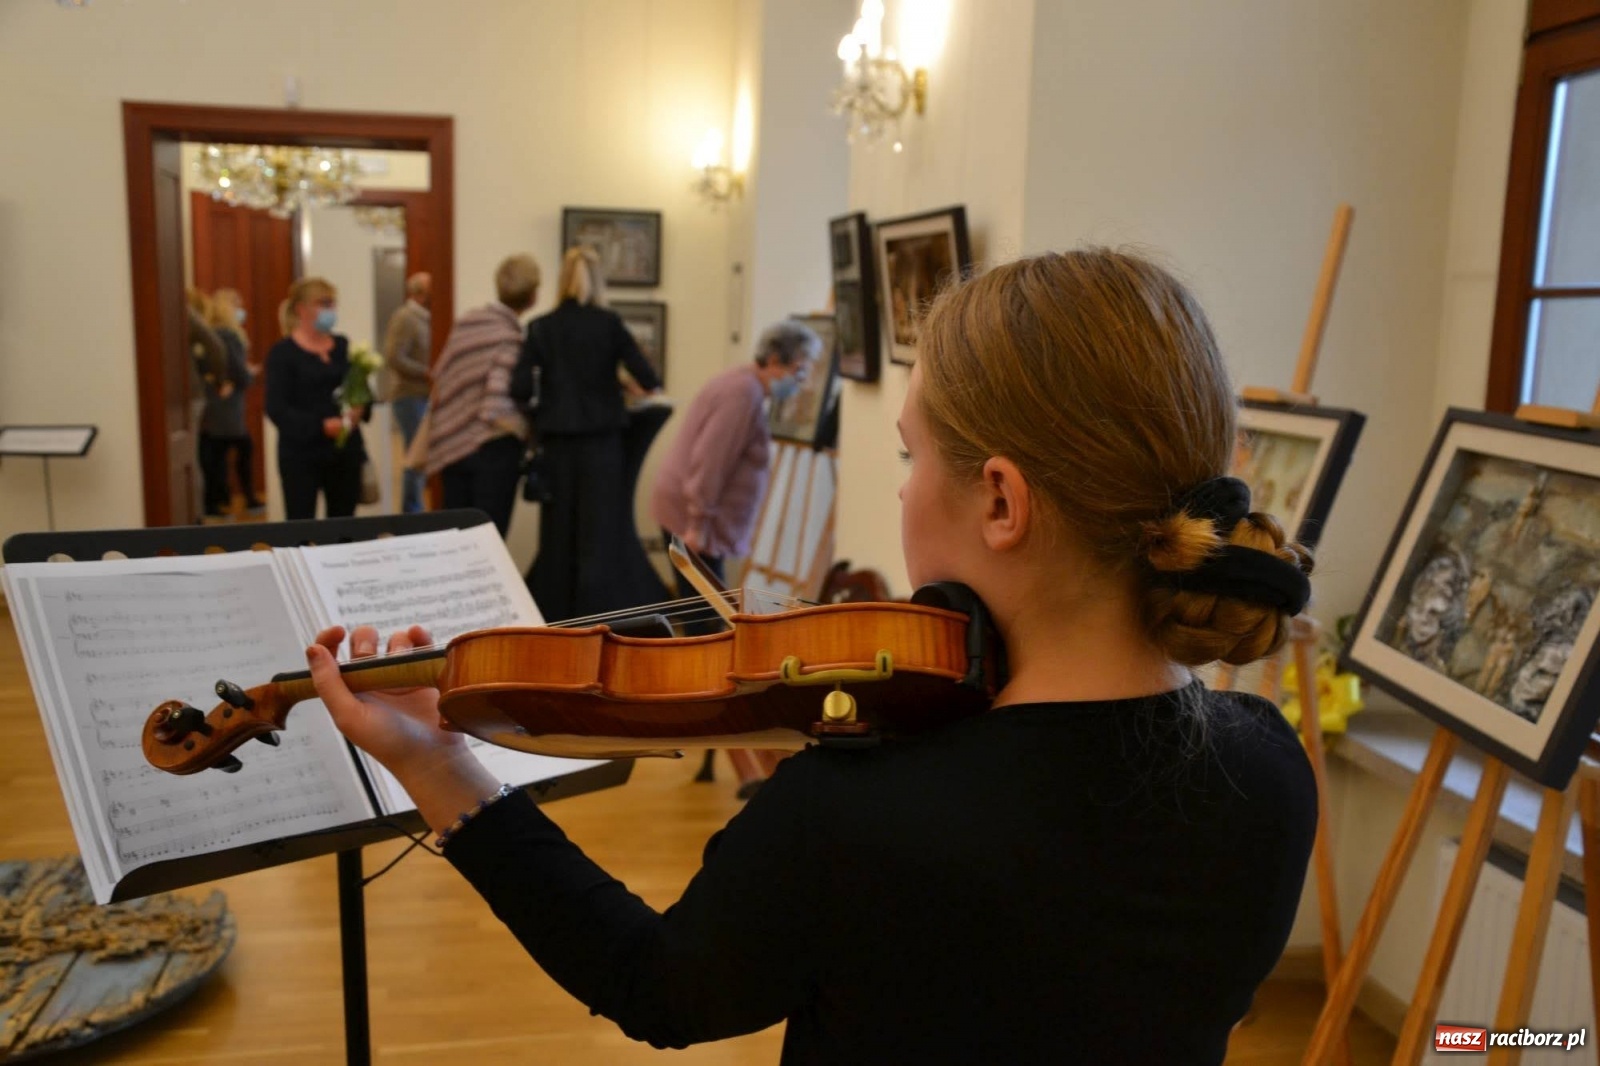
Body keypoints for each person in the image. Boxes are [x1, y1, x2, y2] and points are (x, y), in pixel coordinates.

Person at [307, 249, 1318, 1064]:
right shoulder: (1270, 768)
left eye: (915, 455)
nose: (903, 487)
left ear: (1002, 502)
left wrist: (441, 764)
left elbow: (657, 986)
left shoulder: (866, 812)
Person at [514, 247, 663, 620]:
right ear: (599, 280)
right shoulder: (609, 323)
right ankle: (599, 618)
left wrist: (542, 411)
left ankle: (556, 616)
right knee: (599, 533)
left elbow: (518, 388)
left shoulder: (540, 326)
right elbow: (649, 379)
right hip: (603, 444)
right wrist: (618, 383)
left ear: (562, 278)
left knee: (558, 534)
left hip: (557, 444)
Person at [650, 320, 820, 596]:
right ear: (775, 359)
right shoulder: (743, 393)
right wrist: (698, 525)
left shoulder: (741, 382)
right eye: (799, 371)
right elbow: (711, 462)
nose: (801, 382)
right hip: (692, 521)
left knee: (704, 611)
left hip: (688, 512)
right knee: (707, 617)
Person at [424, 256, 539, 536]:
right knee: (488, 545)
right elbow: (497, 407)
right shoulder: (511, 339)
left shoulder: (467, 323)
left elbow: (441, 375)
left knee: (455, 540)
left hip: (453, 449)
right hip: (493, 454)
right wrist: (527, 431)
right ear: (533, 296)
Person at [264, 277, 366, 520]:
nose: (331, 310)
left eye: (332, 303)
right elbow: (276, 408)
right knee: (301, 525)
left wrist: (358, 410)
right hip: (301, 454)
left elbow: (360, 389)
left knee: (343, 526)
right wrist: (320, 426)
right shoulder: (282, 354)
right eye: (324, 303)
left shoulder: (342, 346)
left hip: (345, 452)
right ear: (302, 309)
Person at [197, 287, 264, 518]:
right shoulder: (228, 335)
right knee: (240, 449)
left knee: (215, 455)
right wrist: (247, 376)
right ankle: (246, 500)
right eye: (238, 305)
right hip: (226, 410)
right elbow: (236, 369)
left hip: (215, 404)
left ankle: (220, 501)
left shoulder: (210, 332)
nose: (241, 311)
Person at [383, 271, 433, 513]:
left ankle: (416, 509)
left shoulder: (429, 317)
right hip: (409, 396)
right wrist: (427, 372)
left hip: (425, 396)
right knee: (415, 455)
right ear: (419, 294)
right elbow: (394, 356)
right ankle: (411, 513)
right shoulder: (405, 317)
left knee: (422, 455)